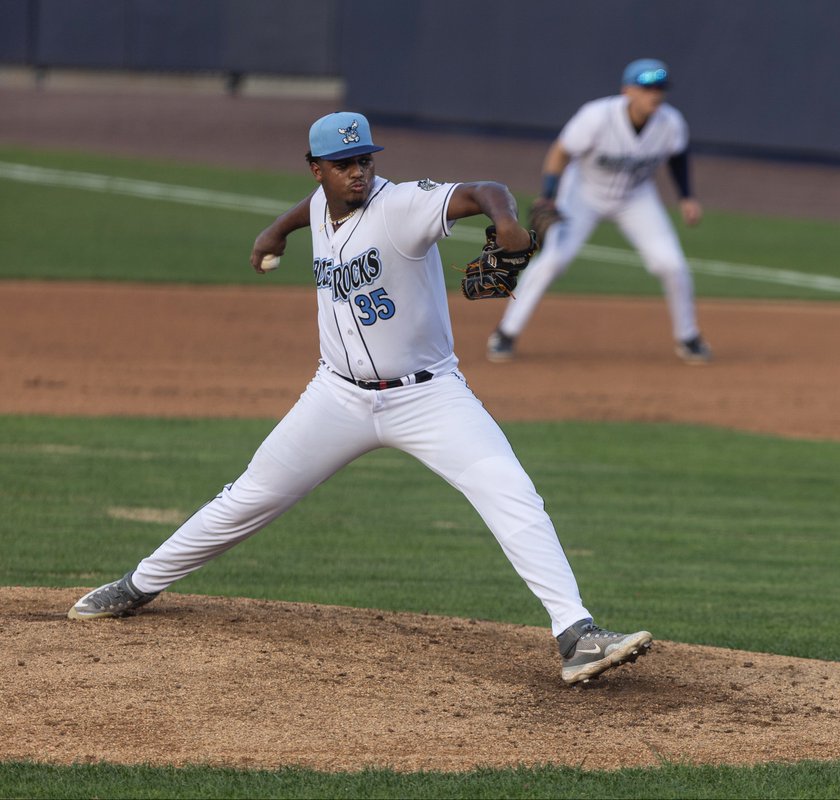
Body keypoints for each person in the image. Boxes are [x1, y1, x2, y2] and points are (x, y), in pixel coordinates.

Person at [66, 111, 652, 686]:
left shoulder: (401, 206)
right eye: (343, 163)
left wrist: (505, 220)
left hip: (430, 398)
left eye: (365, 161)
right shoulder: (323, 203)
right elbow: (311, 209)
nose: (358, 173)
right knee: (250, 495)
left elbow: (484, 189)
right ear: (316, 168)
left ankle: (577, 633)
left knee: (511, 492)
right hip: (336, 398)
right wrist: (275, 230)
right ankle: (139, 584)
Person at [486, 58, 711, 365]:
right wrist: (549, 196)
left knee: (671, 264)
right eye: (647, 88)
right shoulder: (597, 116)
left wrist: (687, 196)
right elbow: (560, 151)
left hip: (636, 198)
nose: (655, 95)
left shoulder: (671, 122)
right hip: (583, 194)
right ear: (627, 90)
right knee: (553, 261)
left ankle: (688, 337)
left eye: (659, 88)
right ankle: (505, 333)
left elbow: (678, 155)